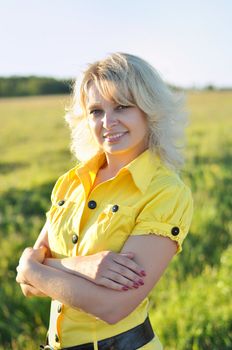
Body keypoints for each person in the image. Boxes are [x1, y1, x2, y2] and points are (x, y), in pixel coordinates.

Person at [16, 52, 193, 350]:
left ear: (148, 110)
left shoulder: (165, 191)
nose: (108, 122)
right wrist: (84, 266)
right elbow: (27, 285)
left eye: (122, 106)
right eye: (96, 110)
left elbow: (113, 306)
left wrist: (35, 267)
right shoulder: (71, 181)